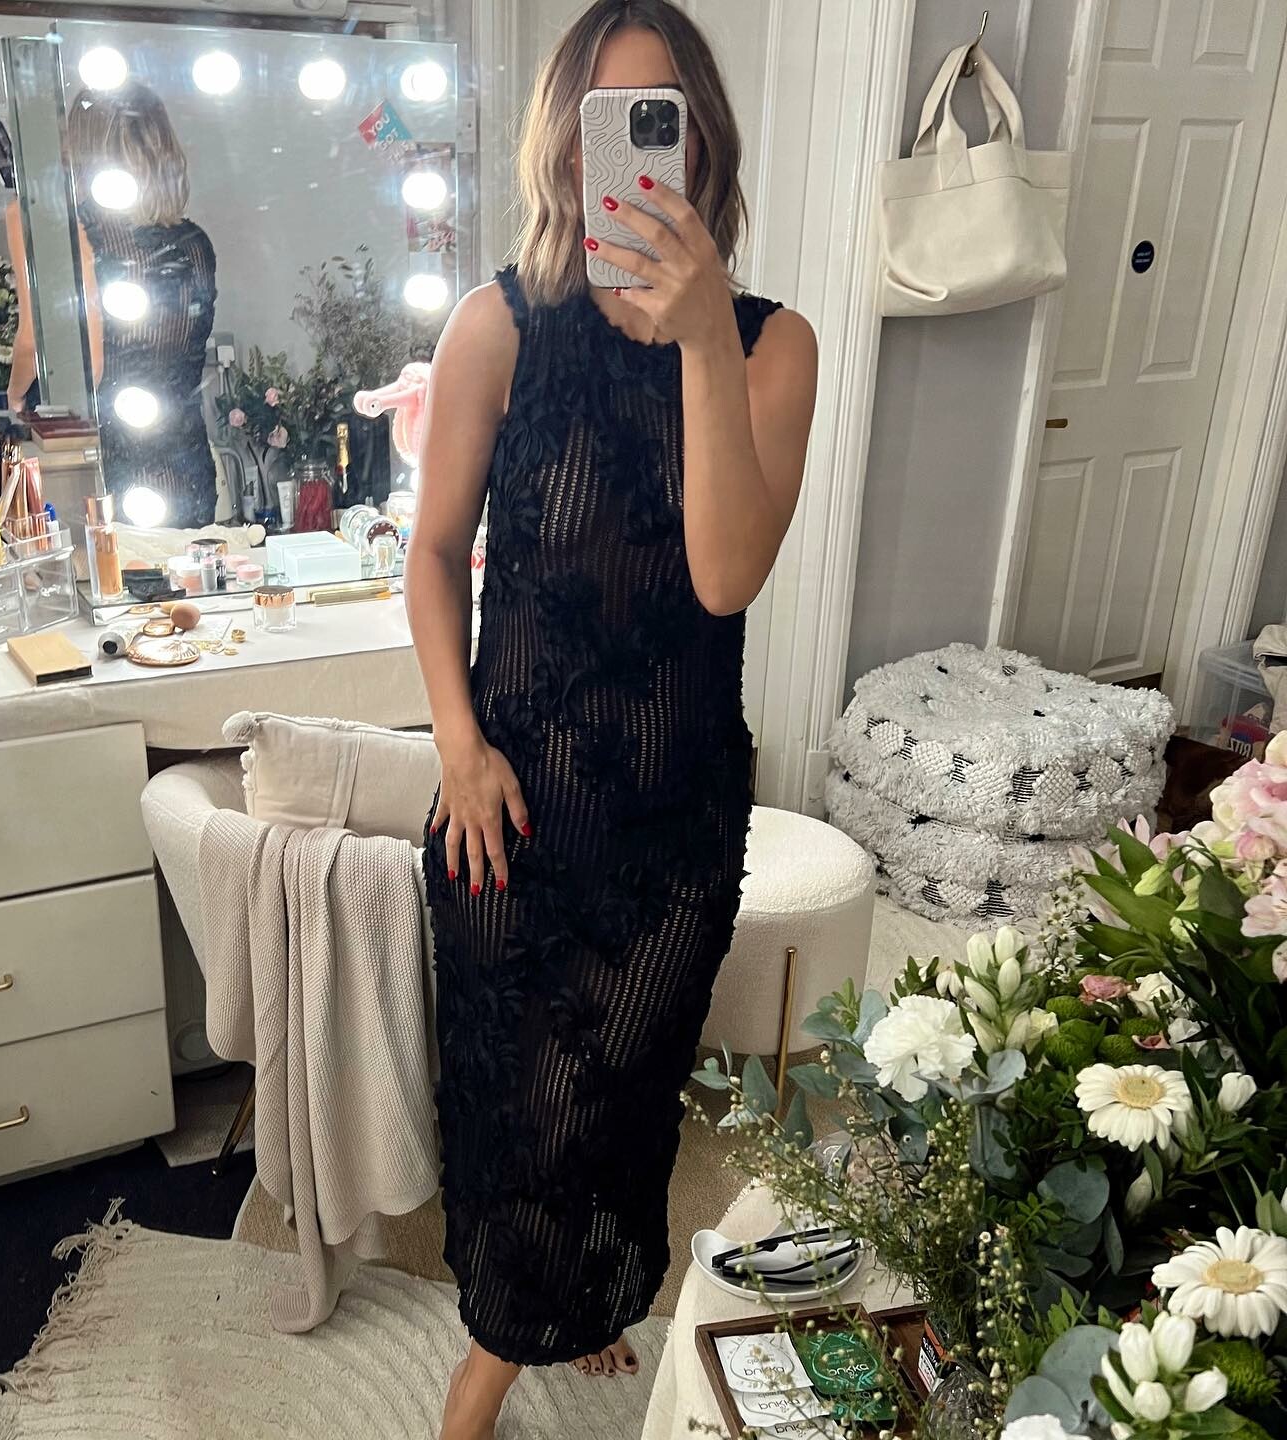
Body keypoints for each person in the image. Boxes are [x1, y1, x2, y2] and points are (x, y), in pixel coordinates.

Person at [404, 2, 819, 1436]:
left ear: (701, 146)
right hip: (510, 812)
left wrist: (701, 336)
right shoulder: (497, 327)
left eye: (660, 119)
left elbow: (724, 575)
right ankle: (500, 1358)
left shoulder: (772, 349)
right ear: (565, 148)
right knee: (517, 1113)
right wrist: (457, 747)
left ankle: (562, 1313)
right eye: (604, 122)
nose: (627, 157)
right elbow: (432, 553)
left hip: (670, 833)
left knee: (619, 1104)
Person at [6, 82, 218, 528]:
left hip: (122, 463)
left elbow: (47, 348)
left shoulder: (72, 230)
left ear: (78, 144)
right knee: (193, 571)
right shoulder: (196, 242)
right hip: (191, 462)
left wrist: (15, 397)